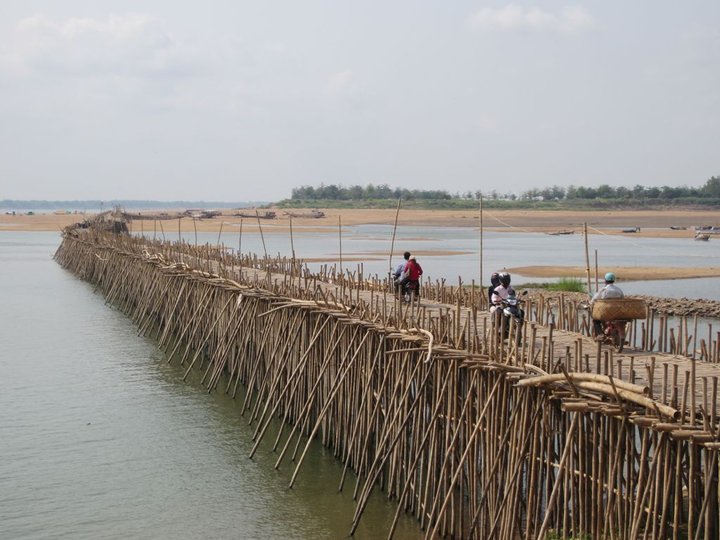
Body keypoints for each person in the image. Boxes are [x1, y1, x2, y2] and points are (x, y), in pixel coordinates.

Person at [590, 272, 624, 339]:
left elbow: (594, 299)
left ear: (605, 281)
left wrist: (590, 302)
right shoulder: (619, 290)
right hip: (617, 312)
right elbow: (622, 298)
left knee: (595, 320)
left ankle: (600, 334)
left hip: (605, 312)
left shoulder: (604, 290)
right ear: (613, 280)